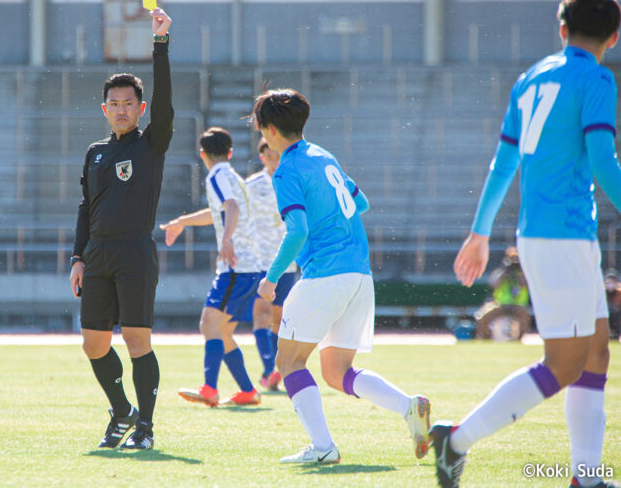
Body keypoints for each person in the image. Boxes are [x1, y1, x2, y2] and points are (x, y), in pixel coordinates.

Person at [436, 0, 621, 488]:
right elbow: (605, 163)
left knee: (598, 351)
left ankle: (586, 476)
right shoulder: (597, 81)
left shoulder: (530, 78)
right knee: (562, 365)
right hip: (563, 237)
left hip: (548, 235)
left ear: (562, 30)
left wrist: (480, 231)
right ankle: (455, 440)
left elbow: (504, 162)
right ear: (615, 36)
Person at [252, 89, 432, 464]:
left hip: (324, 275)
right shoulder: (323, 155)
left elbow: (297, 230)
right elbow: (361, 203)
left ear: (268, 129)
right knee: (337, 372)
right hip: (359, 274)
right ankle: (408, 406)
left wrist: (271, 279)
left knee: (289, 363)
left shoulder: (285, 169)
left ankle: (323, 448)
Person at [69, 8, 173, 451]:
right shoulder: (94, 152)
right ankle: (122, 411)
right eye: (114, 103)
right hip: (97, 255)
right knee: (93, 345)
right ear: (104, 108)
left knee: (135, 340)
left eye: (129, 103)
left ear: (141, 108)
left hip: (134, 252)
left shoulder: (151, 143)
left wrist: (160, 45)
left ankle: (145, 428)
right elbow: (85, 207)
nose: (121, 109)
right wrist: (77, 256)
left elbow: (166, 103)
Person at [160, 127, 262, 407]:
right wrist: (182, 221)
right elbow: (220, 211)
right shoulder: (233, 176)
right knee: (222, 332)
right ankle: (248, 391)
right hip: (250, 265)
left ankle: (209, 388)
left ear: (202, 154)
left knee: (208, 323)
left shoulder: (216, 176)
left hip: (235, 266)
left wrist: (226, 241)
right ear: (230, 153)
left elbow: (231, 207)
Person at [245, 138, 301, 391]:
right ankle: (269, 370)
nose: (274, 161)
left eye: (278, 156)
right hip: (258, 261)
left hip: (285, 262)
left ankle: (275, 370)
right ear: (262, 158)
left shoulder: (292, 183)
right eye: (270, 156)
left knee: (278, 320)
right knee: (261, 316)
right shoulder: (251, 186)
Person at [473, 246, 531, 340]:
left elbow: (525, 284)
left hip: (518, 305)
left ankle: (519, 339)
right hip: (500, 304)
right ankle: (485, 338)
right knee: (482, 317)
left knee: (524, 316)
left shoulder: (524, 273)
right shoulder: (502, 272)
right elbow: (494, 283)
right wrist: (505, 270)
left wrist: (521, 270)